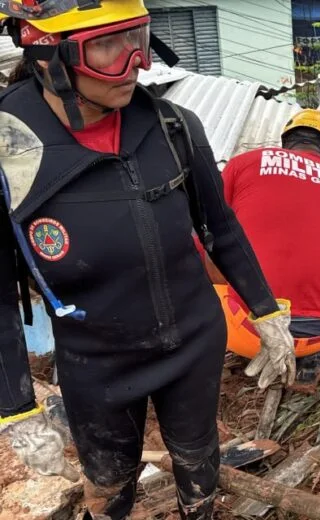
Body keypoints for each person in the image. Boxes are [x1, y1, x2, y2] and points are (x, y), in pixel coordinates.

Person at [0, 2, 295, 519]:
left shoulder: (172, 125)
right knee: (110, 486)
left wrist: (268, 312)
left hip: (195, 341)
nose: (137, 62)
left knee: (198, 465)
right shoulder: (8, 149)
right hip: (96, 363)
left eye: (138, 36)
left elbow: (221, 227)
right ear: (48, 55)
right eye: (108, 46)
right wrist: (14, 408)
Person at [201, 110, 320, 375]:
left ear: (285, 145)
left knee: (205, 243)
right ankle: (305, 354)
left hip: (246, 333)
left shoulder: (245, 163)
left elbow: (207, 227)